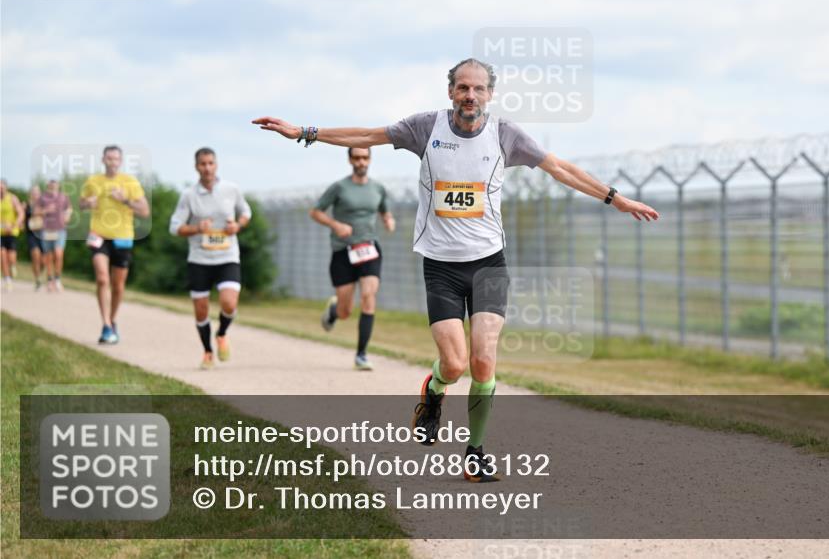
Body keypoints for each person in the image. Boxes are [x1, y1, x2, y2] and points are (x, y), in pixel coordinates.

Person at [254, 58, 658, 482]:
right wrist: (304, 132)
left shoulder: (506, 134)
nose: (470, 95)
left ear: (490, 94)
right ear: (450, 92)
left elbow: (560, 169)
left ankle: (475, 453)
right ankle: (434, 392)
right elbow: (367, 135)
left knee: (483, 361)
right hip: (441, 266)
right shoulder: (425, 128)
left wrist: (616, 199)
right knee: (454, 363)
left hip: (489, 264)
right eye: (463, 87)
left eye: (478, 88)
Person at [310, 147, 396, 371]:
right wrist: (335, 225)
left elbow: (384, 211)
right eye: (357, 158)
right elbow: (316, 212)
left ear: (370, 159)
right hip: (343, 251)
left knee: (368, 296)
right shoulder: (339, 187)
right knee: (345, 311)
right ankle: (334, 311)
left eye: (365, 157)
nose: (361, 162)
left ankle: (361, 355)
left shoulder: (378, 188)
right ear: (350, 160)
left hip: (369, 248)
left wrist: (388, 220)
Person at [169, 148, 252, 369]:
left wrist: (238, 225)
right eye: (203, 164)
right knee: (201, 310)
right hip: (199, 259)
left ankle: (222, 333)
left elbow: (246, 212)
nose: (207, 168)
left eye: (210, 163)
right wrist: (197, 228)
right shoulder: (189, 195)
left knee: (229, 303)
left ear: (216, 165)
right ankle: (207, 352)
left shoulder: (231, 189)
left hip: (227, 256)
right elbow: (175, 227)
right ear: (196, 166)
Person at [80, 145, 150, 344]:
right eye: (109, 158)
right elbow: (81, 204)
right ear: (103, 160)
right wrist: (88, 203)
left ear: (120, 161)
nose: (112, 162)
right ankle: (106, 325)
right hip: (98, 235)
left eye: (116, 159)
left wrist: (125, 200)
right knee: (102, 279)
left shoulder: (130, 182)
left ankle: (112, 320)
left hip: (123, 237)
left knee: (118, 286)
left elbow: (145, 211)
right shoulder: (93, 181)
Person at [38, 179, 72, 292]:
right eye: (51, 185)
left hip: (60, 229)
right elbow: (35, 211)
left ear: (58, 186)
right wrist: (45, 210)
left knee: (58, 254)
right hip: (47, 229)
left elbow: (69, 209)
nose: (53, 186)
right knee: (48, 256)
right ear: (48, 186)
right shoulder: (42, 197)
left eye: (55, 185)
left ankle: (57, 279)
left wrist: (67, 216)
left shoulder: (64, 197)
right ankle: (49, 280)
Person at [0, 179, 25, 291]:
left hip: (11, 232)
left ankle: (13, 266)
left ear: (6, 188)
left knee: (11, 258)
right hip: (0, 233)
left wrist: (15, 225)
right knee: (2, 255)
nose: (1, 189)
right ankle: (7, 280)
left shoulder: (12, 198)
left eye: (2, 187)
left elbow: (21, 213)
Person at [25, 185, 45, 290]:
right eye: (33, 192)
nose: (35, 194)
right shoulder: (27, 205)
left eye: (37, 193)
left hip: (43, 234)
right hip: (31, 234)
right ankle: (37, 279)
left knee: (43, 261)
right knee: (35, 255)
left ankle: (38, 272)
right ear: (30, 194)